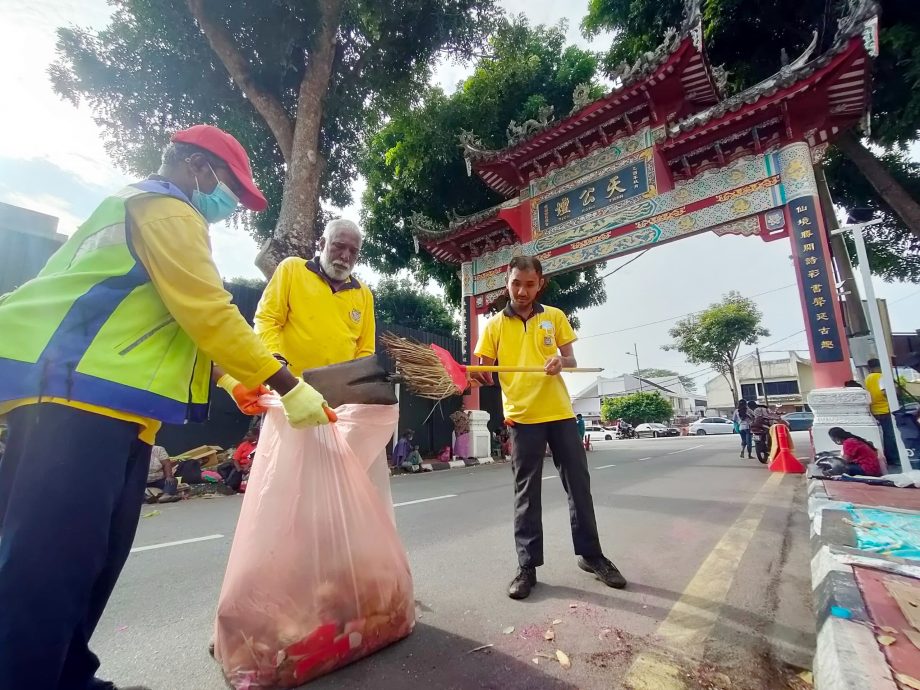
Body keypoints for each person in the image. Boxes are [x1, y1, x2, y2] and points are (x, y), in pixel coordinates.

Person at [0, 124, 332, 690]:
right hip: (73, 399)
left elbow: (177, 324)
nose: (231, 203)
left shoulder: (158, 212)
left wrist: (231, 382)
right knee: (48, 568)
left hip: (111, 410)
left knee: (92, 560)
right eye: (230, 186)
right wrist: (288, 383)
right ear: (198, 167)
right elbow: (209, 311)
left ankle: (68, 673)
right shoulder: (166, 210)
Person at [473, 255, 626, 600]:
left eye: (529, 284)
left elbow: (571, 359)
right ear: (506, 283)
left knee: (578, 484)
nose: (522, 291)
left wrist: (561, 361)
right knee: (526, 493)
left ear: (539, 283)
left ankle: (592, 556)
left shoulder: (554, 316)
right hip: (522, 416)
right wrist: (477, 374)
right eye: (516, 283)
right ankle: (527, 567)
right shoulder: (495, 325)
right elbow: (484, 370)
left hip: (559, 413)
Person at [254, 219, 375, 375]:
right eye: (339, 246)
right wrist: (275, 361)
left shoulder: (364, 293)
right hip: (291, 386)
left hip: (339, 393)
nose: (346, 256)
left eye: (353, 251)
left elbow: (365, 350)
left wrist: (356, 384)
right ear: (322, 244)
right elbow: (267, 318)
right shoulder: (292, 269)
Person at [865, 358, 902, 468]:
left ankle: (888, 457)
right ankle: (893, 458)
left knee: (883, 436)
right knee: (890, 436)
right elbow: (885, 392)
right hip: (886, 410)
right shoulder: (881, 376)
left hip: (875, 411)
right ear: (880, 366)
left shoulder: (867, 379)